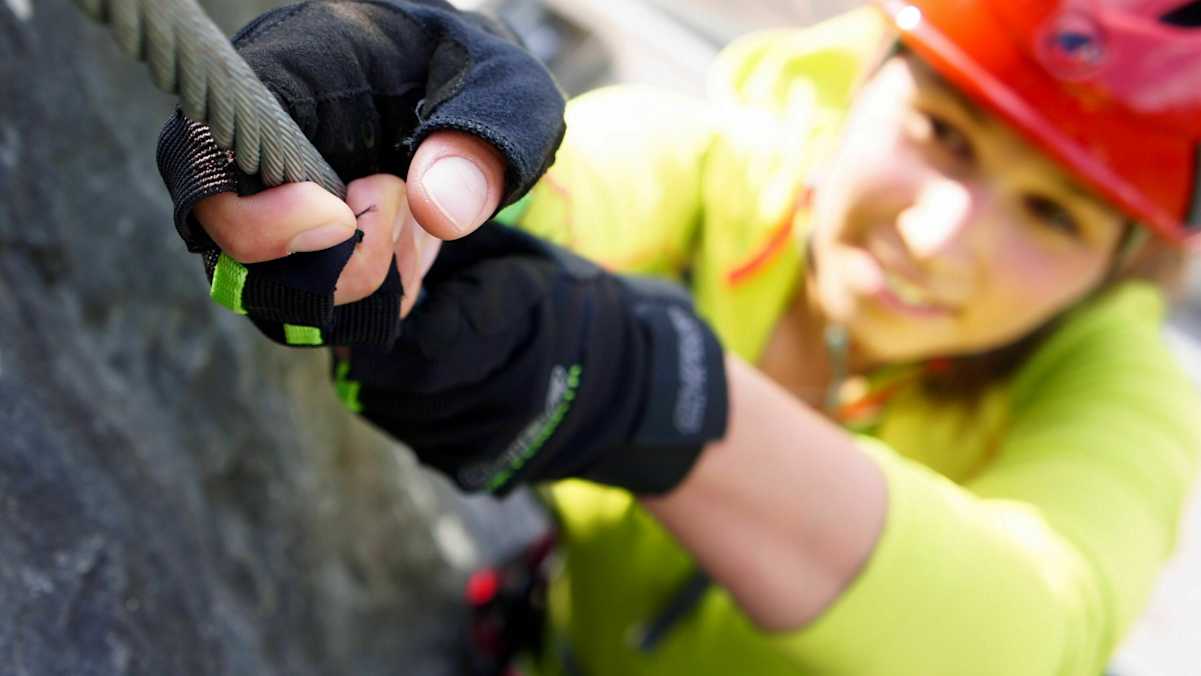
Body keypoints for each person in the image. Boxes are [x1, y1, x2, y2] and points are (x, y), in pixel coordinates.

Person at [156, 0, 1201, 673]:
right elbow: (586, 189)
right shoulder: (725, 173)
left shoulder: (1123, 393)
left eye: (1054, 215)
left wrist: (655, 390)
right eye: (942, 132)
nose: (936, 236)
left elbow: (1034, 633)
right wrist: (414, 165)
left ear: (1122, 266)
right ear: (867, 77)